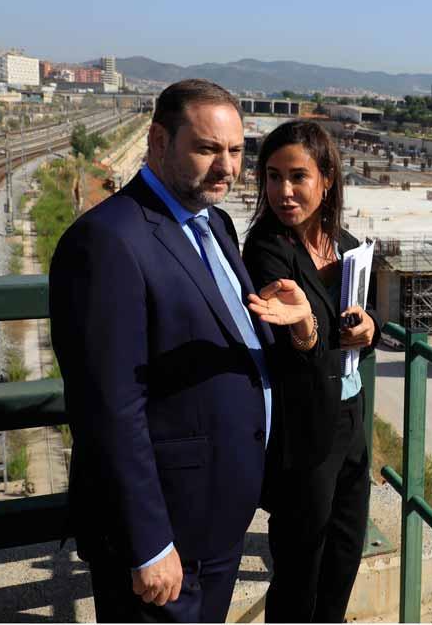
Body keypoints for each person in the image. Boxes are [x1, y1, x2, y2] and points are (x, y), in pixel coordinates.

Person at [51, 79, 302, 622]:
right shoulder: (107, 241)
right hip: (165, 534)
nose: (227, 167)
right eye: (208, 149)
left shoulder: (216, 224)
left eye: (236, 151)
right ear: (158, 141)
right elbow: (109, 410)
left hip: (217, 519)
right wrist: (148, 544)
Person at [242, 121, 382, 623]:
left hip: (349, 420)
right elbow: (288, 348)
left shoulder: (345, 243)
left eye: (297, 176)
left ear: (326, 179)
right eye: (273, 177)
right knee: (301, 566)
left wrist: (370, 329)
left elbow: (373, 316)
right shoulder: (266, 249)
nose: (284, 191)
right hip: (303, 432)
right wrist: (305, 330)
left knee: (344, 551)